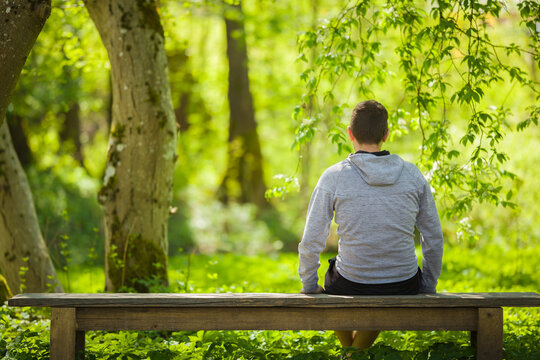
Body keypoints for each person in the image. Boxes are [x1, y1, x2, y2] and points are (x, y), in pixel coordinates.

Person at [298, 100, 444, 349]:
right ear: (386, 135)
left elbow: (313, 237)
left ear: (350, 134)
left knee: (333, 279)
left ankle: (351, 351)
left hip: (351, 280)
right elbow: (433, 236)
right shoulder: (412, 175)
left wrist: (310, 285)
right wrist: (427, 285)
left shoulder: (334, 176)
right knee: (381, 288)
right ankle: (355, 352)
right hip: (404, 282)